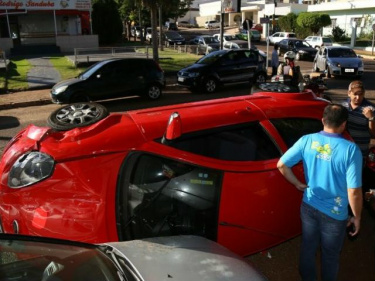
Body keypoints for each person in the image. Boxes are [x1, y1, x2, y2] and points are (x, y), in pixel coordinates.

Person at [277, 104, 363, 281]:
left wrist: (297, 184)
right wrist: (357, 216)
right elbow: (353, 190)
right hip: (335, 214)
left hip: (308, 206)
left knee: (308, 246)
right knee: (330, 255)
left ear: (323, 120)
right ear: (344, 124)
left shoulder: (306, 140)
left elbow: (281, 164)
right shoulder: (351, 150)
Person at [342, 80, 375, 158]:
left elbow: (373, 134)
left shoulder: (371, 109)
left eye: (361, 94)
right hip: (344, 151)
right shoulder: (342, 105)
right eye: (355, 94)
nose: (358, 97)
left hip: (361, 152)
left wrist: (371, 118)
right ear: (349, 93)